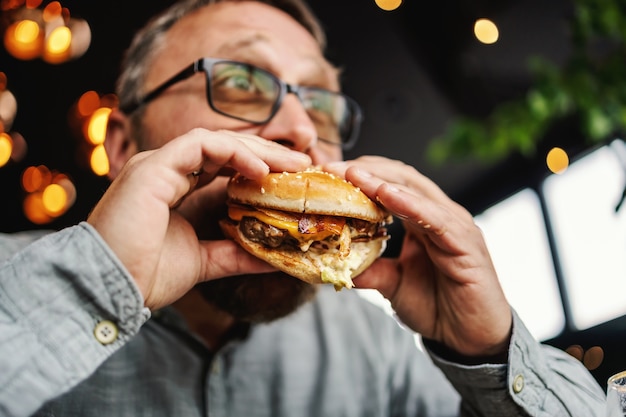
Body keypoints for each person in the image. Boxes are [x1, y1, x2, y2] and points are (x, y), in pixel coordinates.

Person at [0, 0, 605, 415]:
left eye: (321, 106)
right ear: (124, 145)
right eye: (239, 83)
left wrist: (487, 353)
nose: (300, 130)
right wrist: (95, 287)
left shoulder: (380, 351)